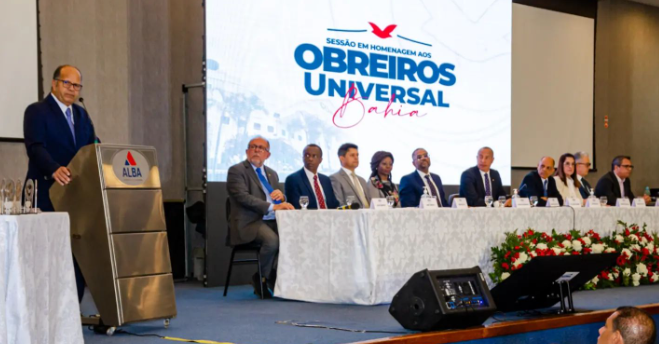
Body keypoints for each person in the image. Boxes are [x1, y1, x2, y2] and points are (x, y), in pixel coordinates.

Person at [23, 65, 98, 303]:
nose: (72, 89)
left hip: (75, 196)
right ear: (54, 83)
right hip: (45, 193)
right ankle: (43, 309)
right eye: (67, 83)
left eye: (76, 85)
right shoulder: (37, 111)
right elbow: (35, 147)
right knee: (46, 254)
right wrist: (54, 168)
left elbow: (91, 147)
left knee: (74, 253)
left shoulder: (82, 114)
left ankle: (70, 310)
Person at [226, 137, 295, 298]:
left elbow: (276, 197)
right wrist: (272, 207)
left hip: (273, 220)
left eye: (261, 148)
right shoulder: (237, 171)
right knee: (272, 241)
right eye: (253, 147)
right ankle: (262, 277)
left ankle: (275, 277)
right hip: (249, 221)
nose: (257, 150)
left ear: (267, 154)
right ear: (247, 151)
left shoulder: (272, 173)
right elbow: (243, 197)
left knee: (293, 238)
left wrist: (282, 198)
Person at [285, 144, 339, 209]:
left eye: (314, 156)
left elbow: (334, 204)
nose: (310, 159)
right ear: (303, 158)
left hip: (330, 217)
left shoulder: (326, 180)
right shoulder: (293, 179)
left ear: (320, 160)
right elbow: (295, 207)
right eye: (307, 155)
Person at [329, 143, 371, 208]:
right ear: (342, 158)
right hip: (351, 216)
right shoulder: (335, 178)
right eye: (352, 155)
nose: (356, 158)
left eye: (357, 155)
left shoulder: (362, 180)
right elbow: (339, 203)